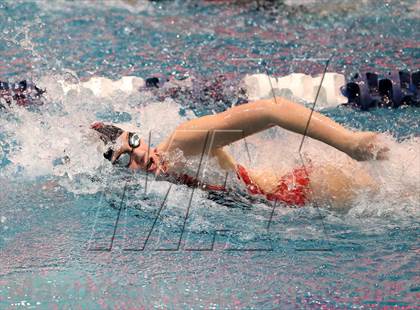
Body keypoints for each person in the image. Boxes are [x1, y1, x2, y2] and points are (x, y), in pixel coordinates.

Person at [92, 96, 389, 208]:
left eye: (133, 144)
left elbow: (275, 109)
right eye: (126, 160)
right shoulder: (150, 190)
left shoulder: (181, 144)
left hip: (311, 187)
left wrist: (350, 144)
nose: (140, 156)